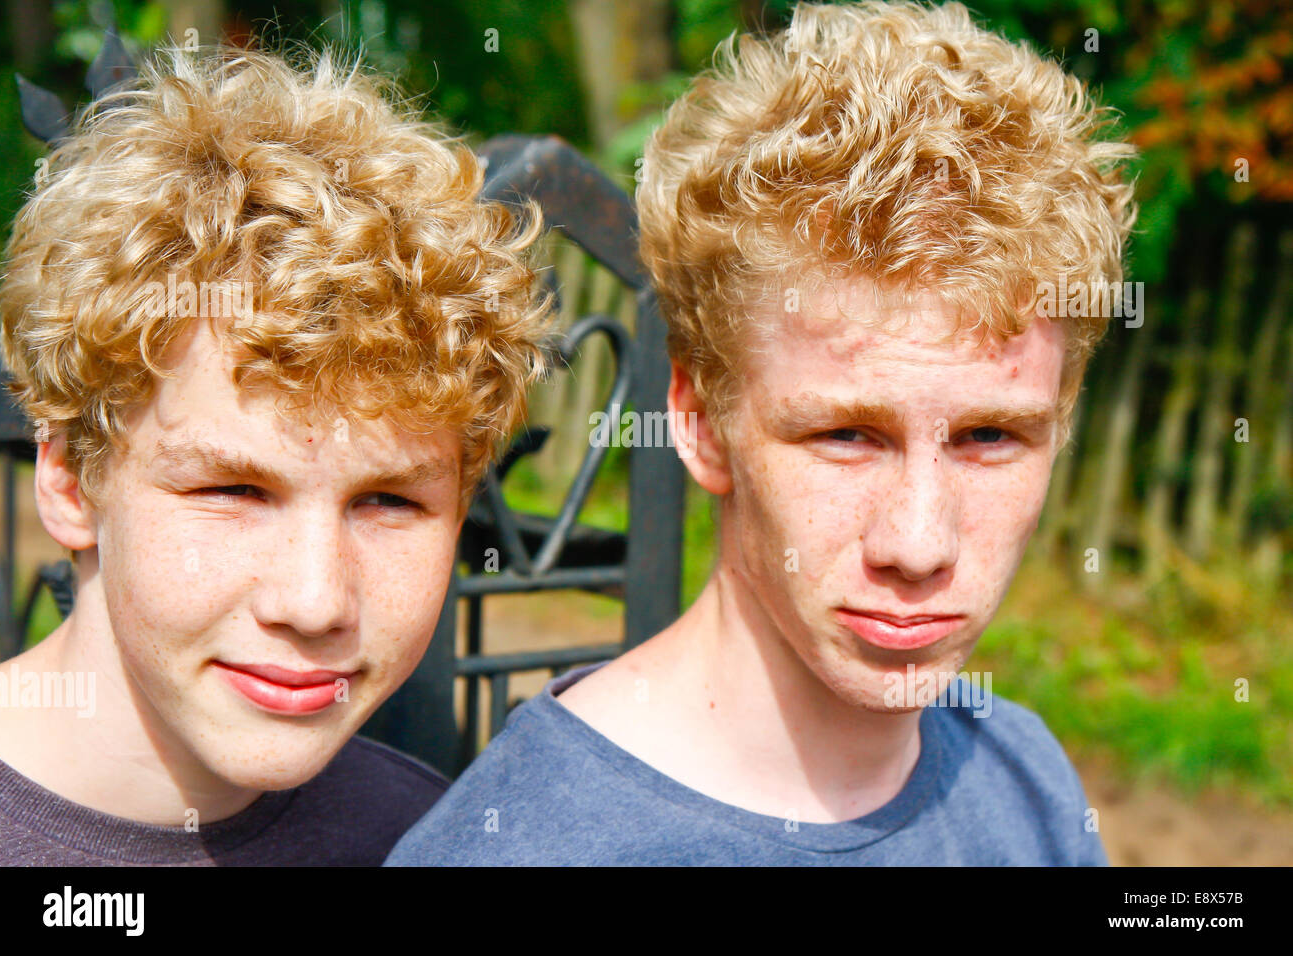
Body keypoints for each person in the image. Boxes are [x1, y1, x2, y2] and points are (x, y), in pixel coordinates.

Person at [387, 0, 1135, 866]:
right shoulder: (522, 848)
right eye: (847, 437)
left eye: (990, 438)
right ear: (700, 422)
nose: (920, 544)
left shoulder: (1026, 781)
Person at [0, 41, 548, 865]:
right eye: (235, 491)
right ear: (71, 478)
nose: (315, 601)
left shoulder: (426, 839)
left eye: (390, 502)